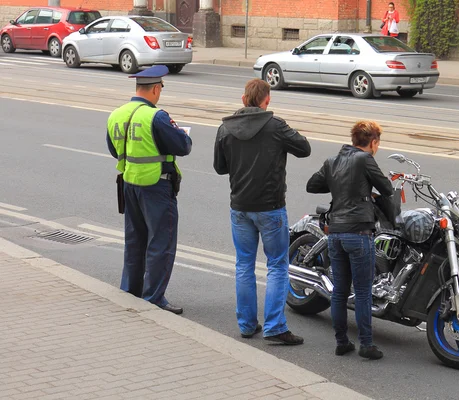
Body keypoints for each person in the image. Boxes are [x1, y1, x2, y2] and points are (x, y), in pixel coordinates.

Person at [213, 79, 311, 344]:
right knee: (277, 266)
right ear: (266, 100)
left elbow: (220, 168)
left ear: (244, 99)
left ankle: (246, 325)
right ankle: (275, 327)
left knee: (244, 264)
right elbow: (304, 149)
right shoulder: (275, 125)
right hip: (270, 208)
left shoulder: (225, 127)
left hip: (240, 207)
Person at [106, 65, 192, 315]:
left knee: (135, 240)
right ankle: (153, 296)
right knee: (160, 242)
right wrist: (183, 136)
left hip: (129, 184)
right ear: (155, 89)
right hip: (156, 185)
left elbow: (114, 150)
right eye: (161, 88)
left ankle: (130, 290)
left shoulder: (116, 114)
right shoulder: (156, 116)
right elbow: (182, 146)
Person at [306, 120, 393, 360]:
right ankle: (366, 344)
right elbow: (386, 189)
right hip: (358, 234)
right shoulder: (365, 159)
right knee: (364, 292)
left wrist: (338, 185)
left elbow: (312, 185)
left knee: (340, 291)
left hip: (335, 234)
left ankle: (342, 342)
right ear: (373, 143)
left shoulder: (332, 161)